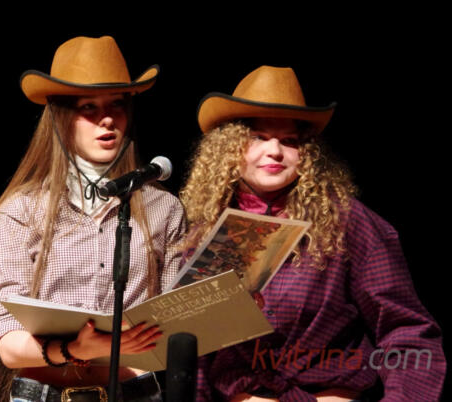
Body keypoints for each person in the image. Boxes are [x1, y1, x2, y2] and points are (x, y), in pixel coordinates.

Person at [180, 66, 446, 401]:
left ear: (306, 153)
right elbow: (196, 351)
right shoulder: (209, 229)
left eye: (289, 141)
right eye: (258, 137)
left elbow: (406, 329)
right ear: (228, 148)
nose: (275, 151)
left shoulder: (344, 221)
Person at [0, 36, 187, 402]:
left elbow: (175, 323)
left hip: (135, 393)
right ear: (61, 118)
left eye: (117, 104)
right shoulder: (22, 209)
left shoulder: (163, 208)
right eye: (89, 107)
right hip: (45, 393)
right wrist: (75, 349)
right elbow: (8, 343)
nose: (108, 119)